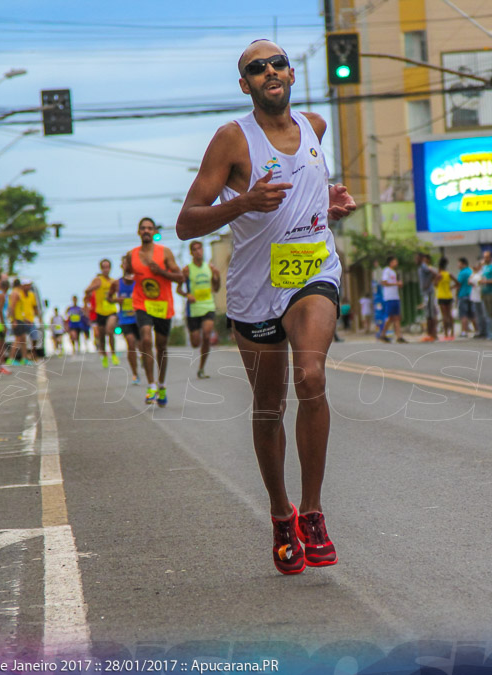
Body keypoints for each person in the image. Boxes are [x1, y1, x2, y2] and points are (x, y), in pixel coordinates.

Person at [175, 39, 357, 574]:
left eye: (277, 64)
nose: (269, 72)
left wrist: (329, 204)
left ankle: (314, 512)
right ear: (245, 84)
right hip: (256, 288)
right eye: (257, 69)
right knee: (268, 407)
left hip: (312, 272)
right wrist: (243, 202)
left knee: (313, 375)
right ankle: (281, 514)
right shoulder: (233, 140)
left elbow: (306, 194)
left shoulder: (316, 128)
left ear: (291, 74)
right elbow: (188, 220)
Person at [128, 217, 183, 406]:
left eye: (149, 228)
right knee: (145, 339)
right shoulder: (132, 255)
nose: (146, 231)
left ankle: (162, 384)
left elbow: (180, 278)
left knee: (161, 346)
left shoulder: (164, 253)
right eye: (142, 228)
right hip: (142, 304)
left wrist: (161, 272)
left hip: (162, 305)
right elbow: (127, 276)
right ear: (138, 231)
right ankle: (151, 385)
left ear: (154, 232)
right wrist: (126, 278)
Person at [178, 239, 221, 379]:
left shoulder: (209, 268)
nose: (198, 251)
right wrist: (187, 294)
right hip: (193, 309)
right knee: (196, 342)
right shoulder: (187, 270)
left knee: (207, 336)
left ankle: (201, 368)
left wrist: (217, 276)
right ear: (191, 253)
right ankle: (198, 344)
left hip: (208, 306)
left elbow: (216, 288)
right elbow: (178, 289)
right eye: (195, 249)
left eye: (200, 248)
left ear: (203, 250)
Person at [109, 254, 141, 383]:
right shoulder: (117, 283)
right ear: (122, 266)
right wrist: (117, 299)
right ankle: (135, 373)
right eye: (125, 263)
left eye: (129, 263)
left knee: (143, 344)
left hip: (139, 317)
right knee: (131, 343)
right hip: (125, 318)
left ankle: (144, 358)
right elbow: (109, 298)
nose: (127, 266)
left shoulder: (139, 281)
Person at [86, 258, 119, 369]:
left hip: (112, 310)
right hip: (100, 312)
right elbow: (87, 291)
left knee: (110, 331)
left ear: (110, 268)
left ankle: (113, 354)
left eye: (108, 267)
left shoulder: (114, 281)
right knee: (101, 336)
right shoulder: (97, 280)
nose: (106, 269)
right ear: (101, 268)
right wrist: (93, 290)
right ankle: (104, 355)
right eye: (104, 267)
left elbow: (119, 295)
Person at [9, 278, 38, 366]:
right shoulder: (15, 293)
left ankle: (24, 358)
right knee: (18, 340)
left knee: (23, 340)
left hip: (21, 319)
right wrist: (13, 320)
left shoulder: (17, 293)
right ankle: (11, 358)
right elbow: (12, 307)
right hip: (17, 320)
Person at [380, 255, 405, 343]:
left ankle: (399, 336)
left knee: (397, 317)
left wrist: (397, 284)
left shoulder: (393, 272)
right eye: (395, 261)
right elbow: (384, 282)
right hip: (389, 297)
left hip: (395, 296)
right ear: (391, 262)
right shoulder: (387, 271)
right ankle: (383, 334)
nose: (396, 263)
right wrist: (396, 284)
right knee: (390, 317)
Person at [417, 252, 439, 342]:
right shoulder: (422, 267)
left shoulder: (424, 266)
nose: (415, 259)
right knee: (429, 313)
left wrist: (428, 283)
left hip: (429, 292)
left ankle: (431, 334)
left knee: (430, 314)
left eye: (417, 257)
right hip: (426, 292)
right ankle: (431, 334)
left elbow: (435, 274)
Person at [435, 257, 457, 340]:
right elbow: (458, 283)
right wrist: (451, 287)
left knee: (444, 316)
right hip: (449, 296)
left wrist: (437, 280)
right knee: (450, 315)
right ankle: (452, 332)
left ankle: (446, 334)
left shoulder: (438, 275)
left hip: (441, 296)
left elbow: (435, 285)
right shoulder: (449, 274)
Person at [468, 261, 489, 338]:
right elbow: (469, 281)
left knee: (483, 314)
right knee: (478, 315)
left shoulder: (481, 274)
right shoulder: (475, 274)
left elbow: (476, 282)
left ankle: (485, 331)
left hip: (481, 296)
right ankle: (480, 330)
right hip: (475, 297)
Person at [456, 257, 473, 337]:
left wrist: (456, 295)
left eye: (459, 263)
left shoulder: (462, 273)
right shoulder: (470, 271)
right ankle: (477, 330)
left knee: (463, 314)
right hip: (471, 295)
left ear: (463, 264)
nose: (458, 265)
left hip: (463, 295)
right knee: (472, 314)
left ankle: (464, 331)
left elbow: (458, 284)